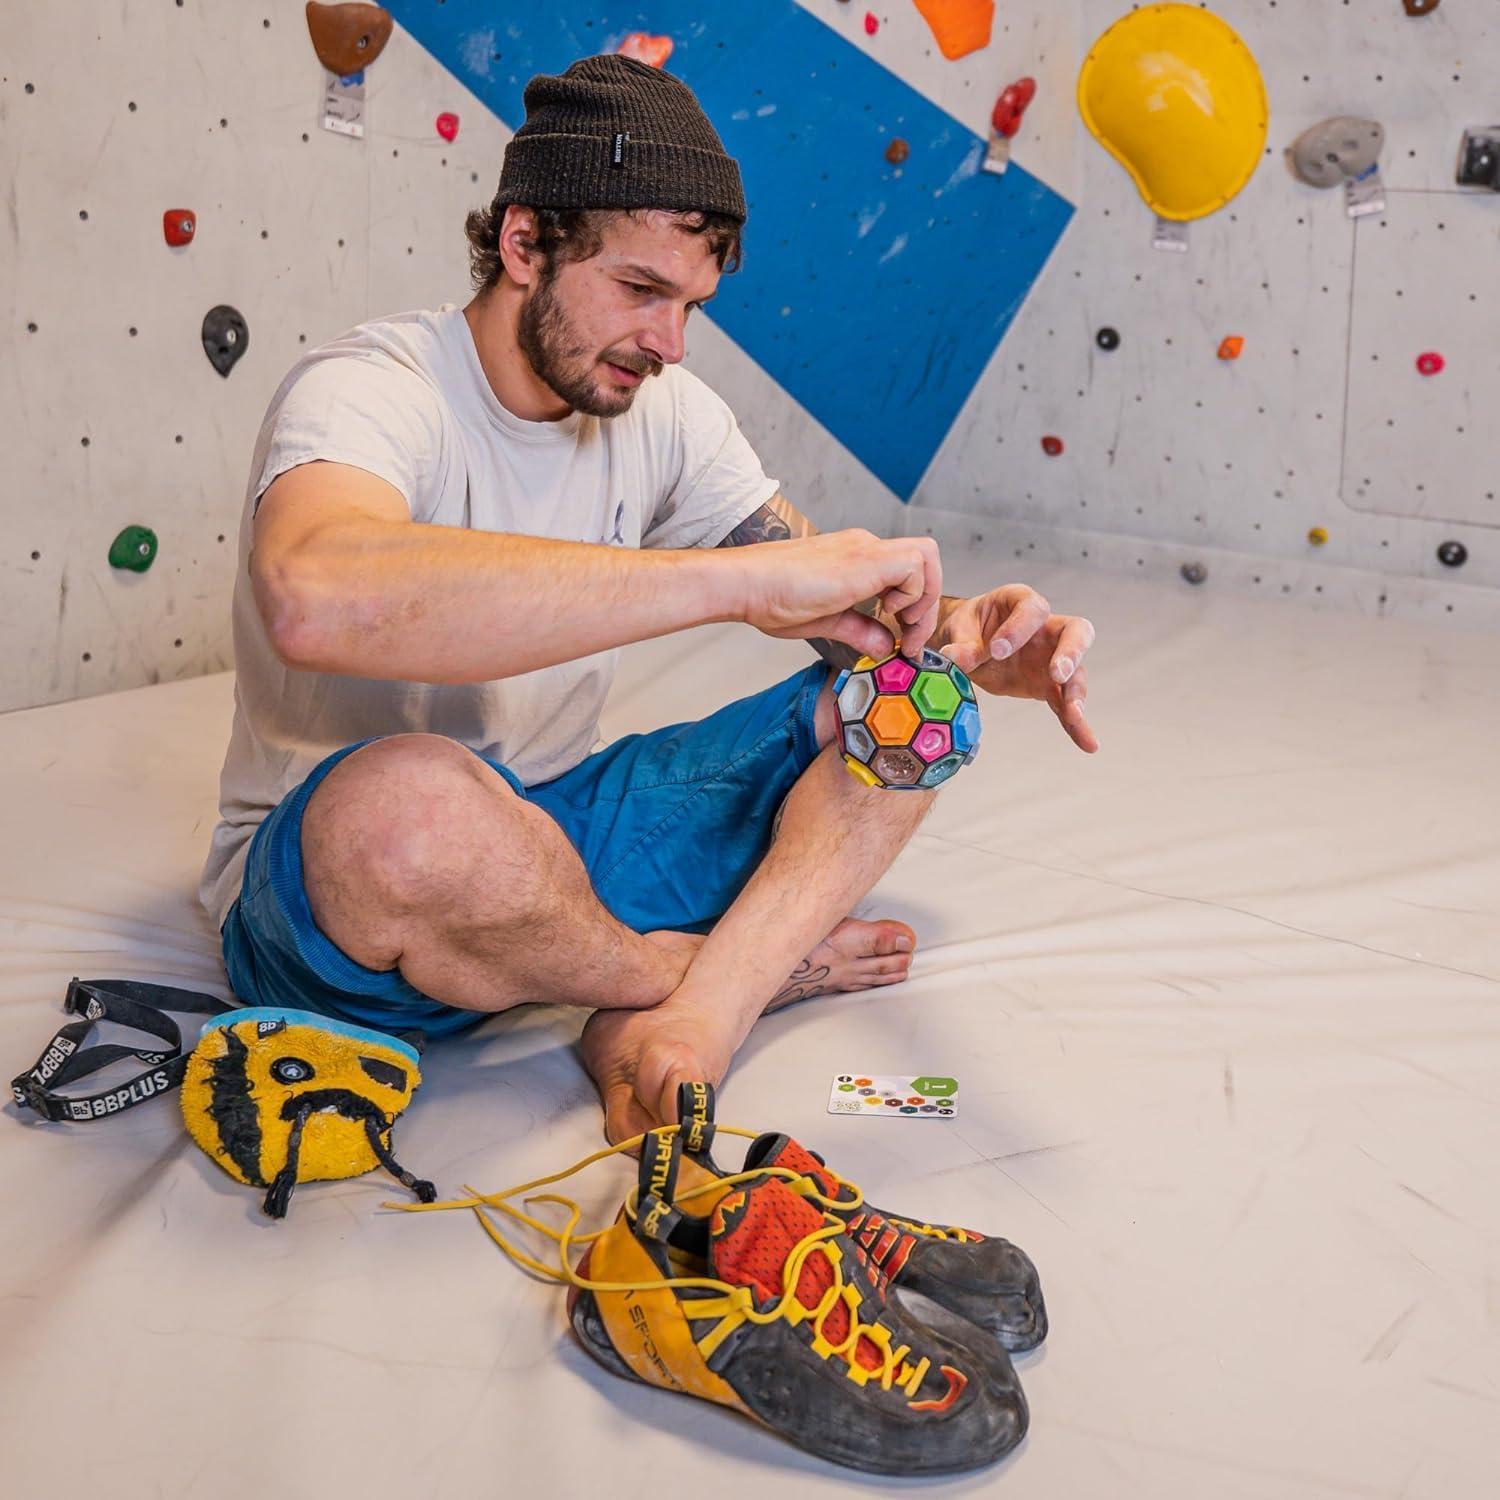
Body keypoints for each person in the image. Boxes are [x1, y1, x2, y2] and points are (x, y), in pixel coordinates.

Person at [199, 54, 1099, 1143]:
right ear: (524, 243)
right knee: (413, 808)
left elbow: (856, 638)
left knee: (916, 714)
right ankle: (675, 971)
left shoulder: (660, 410)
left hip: (561, 837)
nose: (668, 345)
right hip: (334, 900)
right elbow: (315, 596)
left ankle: (689, 1027)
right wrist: (735, 584)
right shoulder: (370, 389)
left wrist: (956, 648)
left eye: (692, 305)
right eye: (639, 291)